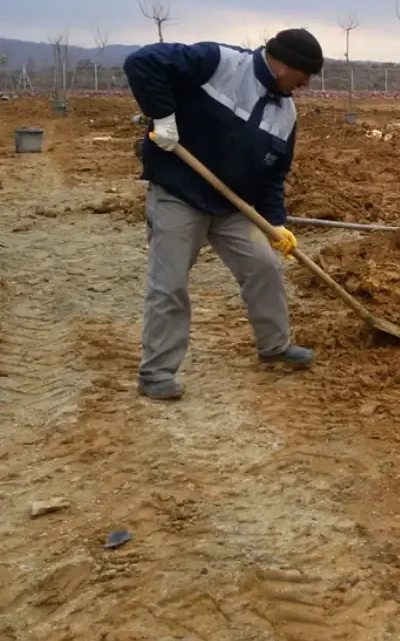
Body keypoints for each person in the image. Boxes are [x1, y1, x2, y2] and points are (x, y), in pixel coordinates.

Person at [123, 29, 325, 401]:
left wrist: (275, 222)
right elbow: (142, 62)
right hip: (179, 194)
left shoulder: (286, 113)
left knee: (263, 267)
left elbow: (274, 173)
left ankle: (275, 345)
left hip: (233, 208)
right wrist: (163, 117)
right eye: (303, 74)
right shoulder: (220, 63)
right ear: (283, 63)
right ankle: (157, 372)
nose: (306, 83)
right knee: (169, 284)